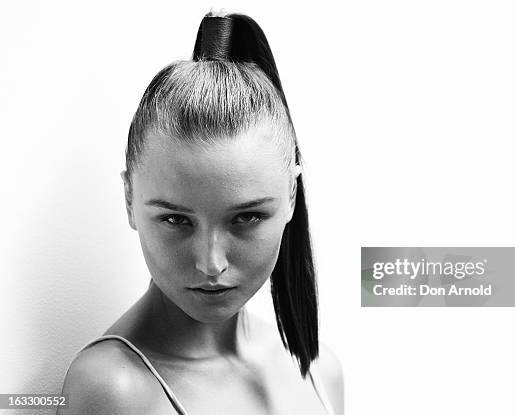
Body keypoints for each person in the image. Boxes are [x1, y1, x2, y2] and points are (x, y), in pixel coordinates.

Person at [57, 10, 343, 415]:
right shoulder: (112, 390)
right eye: (176, 220)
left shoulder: (320, 371)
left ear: (292, 195)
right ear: (129, 199)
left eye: (246, 218)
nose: (211, 263)